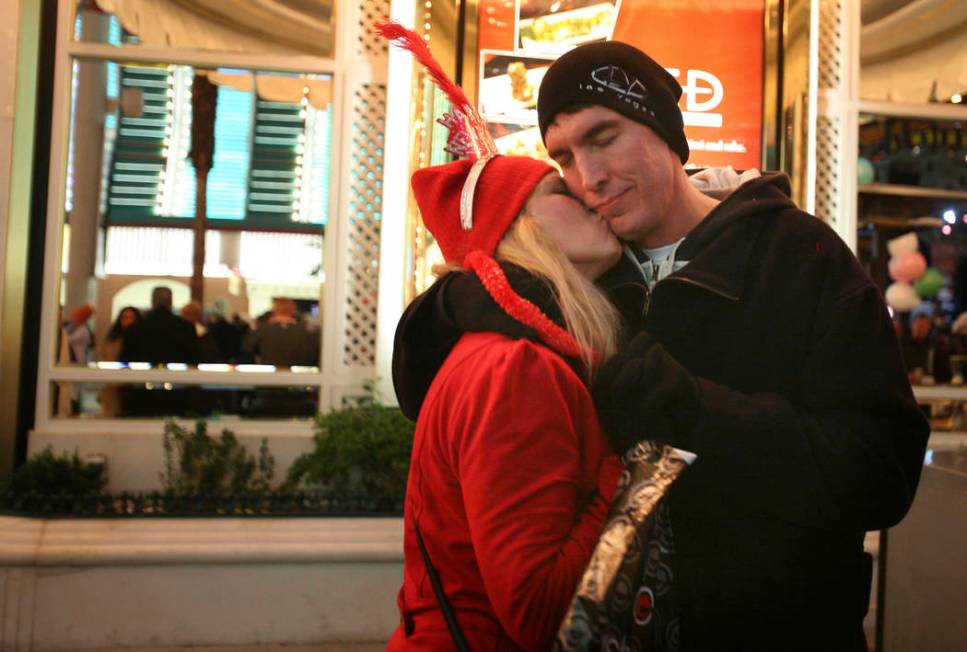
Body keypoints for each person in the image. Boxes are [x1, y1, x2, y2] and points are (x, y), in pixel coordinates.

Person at [532, 41, 930, 650]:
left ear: (664, 129)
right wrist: (479, 289)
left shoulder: (799, 254)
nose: (587, 178)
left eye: (603, 137)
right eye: (563, 156)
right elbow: (418, 374)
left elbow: (881, 474)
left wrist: (696, 414)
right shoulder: (586, 271)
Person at [380, 20, 627, 650]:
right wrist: (623, 472)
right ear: (522, 233)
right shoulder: (519, 367)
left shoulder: (507, 348)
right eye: (557, 188)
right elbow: (537, 608)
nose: (586, 191)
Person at [120, 286, 200, 415]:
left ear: (152, 301)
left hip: (142, 391)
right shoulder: (185, 328)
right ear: (171, 302)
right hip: (177, 391)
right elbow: (195, 358)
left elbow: (125, 360)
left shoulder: (136, 328)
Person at [242, 297, 319, 367]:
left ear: (274, 310)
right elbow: (313, 356)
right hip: (298, 377)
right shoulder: (307, 332)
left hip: (268, 376)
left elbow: (247, 348)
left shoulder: (261, 329)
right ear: (292, 310)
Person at [97, 306, 141, 416]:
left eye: (131, 317)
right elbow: (104, 357)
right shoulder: (112, 339)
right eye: (125, 317)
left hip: (133, 386)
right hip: (113, 385)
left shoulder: (139, 340)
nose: (127, 321)